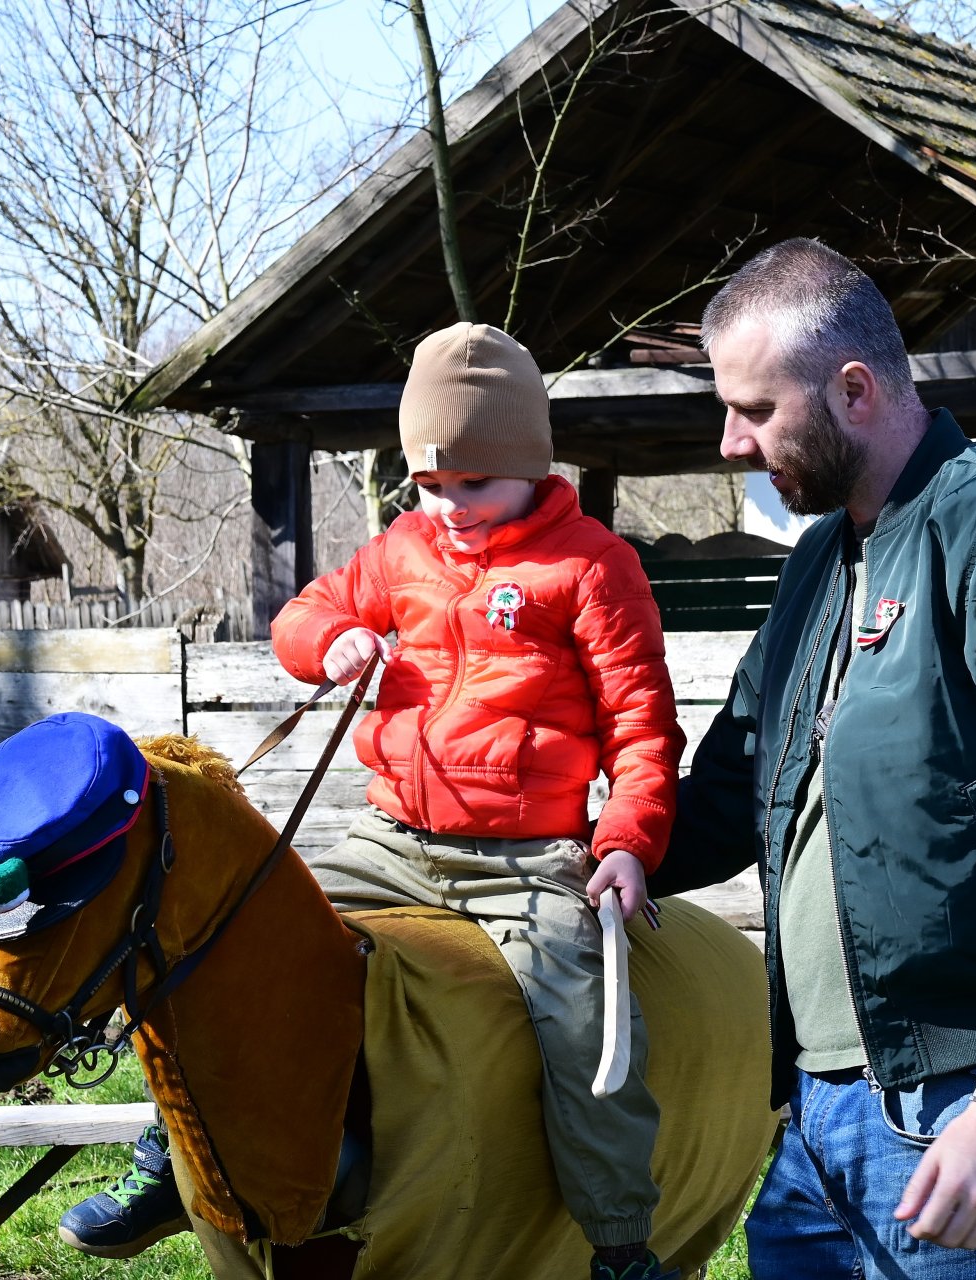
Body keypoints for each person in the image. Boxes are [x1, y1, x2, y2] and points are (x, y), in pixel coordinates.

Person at [61, 321, 686, 1280]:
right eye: (430, 486)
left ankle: (619, 1239)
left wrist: (627, 843)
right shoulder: (399, 552)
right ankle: (168, 1157)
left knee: (582, 1016)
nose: (449, 507)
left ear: (530, 462)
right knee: (230, 933)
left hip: (524, 864)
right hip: (388, 837)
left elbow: (642, 727)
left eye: (471, 483)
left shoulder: (592, 567)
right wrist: (332, 645)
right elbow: (301, 616)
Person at [647, 238, 976, 1280]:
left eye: (755, 410)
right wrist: (578, 848)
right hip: (815, 1110)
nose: (730, 444)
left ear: (853, 389)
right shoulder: (816, 564)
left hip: (968, 1099)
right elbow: (723, 795)